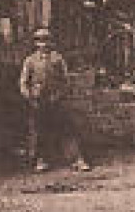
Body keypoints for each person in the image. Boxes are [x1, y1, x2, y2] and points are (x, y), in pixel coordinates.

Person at [19, 28, 90, 173]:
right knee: (40, 130)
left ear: (51, 42)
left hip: (55, 99)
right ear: (35, 43)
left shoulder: (57, 59)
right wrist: (30, 95)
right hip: (38, 100)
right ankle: (41, 160)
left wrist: (58, 94)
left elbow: (65, 80)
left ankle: (76, 160)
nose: (43, 44)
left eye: (46, 40)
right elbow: (23, 82)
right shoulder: (30, 61)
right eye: (40, 41)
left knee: (67, 129)